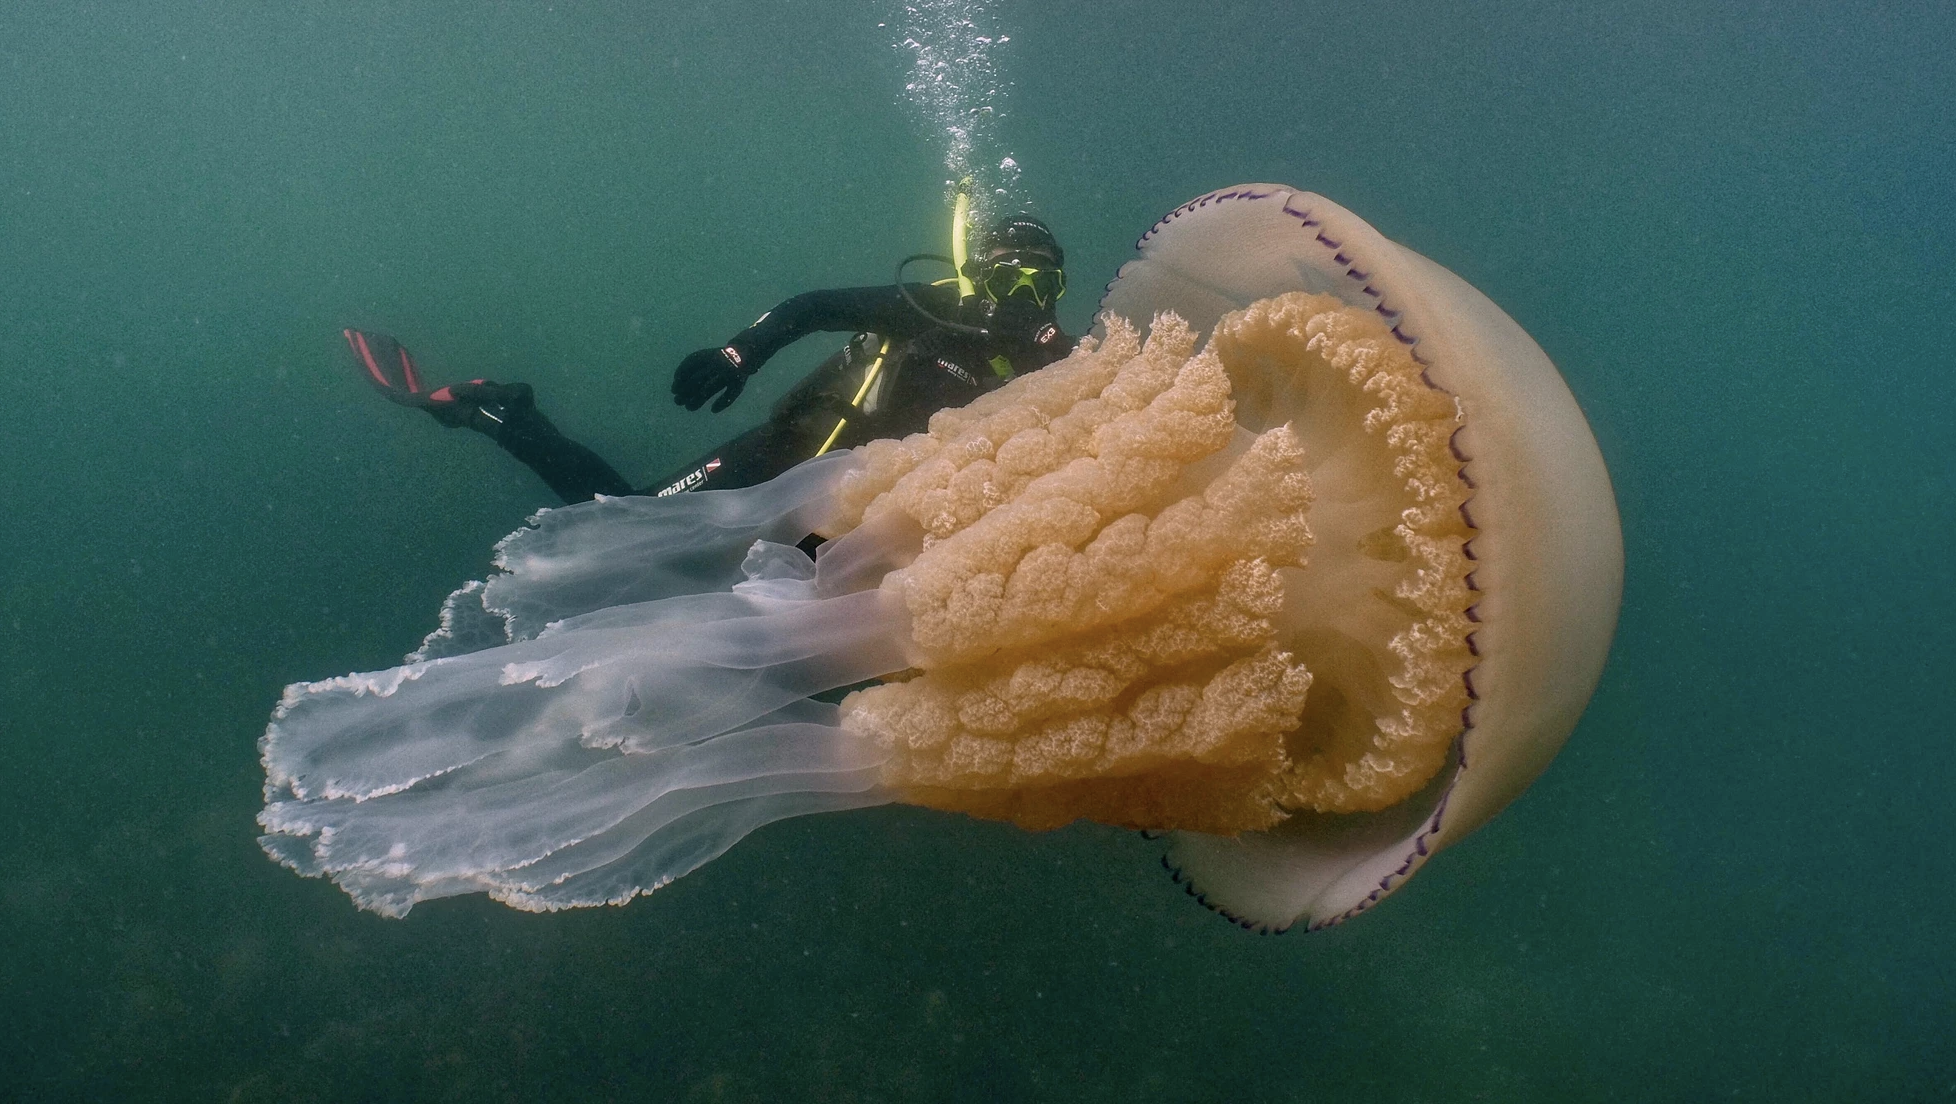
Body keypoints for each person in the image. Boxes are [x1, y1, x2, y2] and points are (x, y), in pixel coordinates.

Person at [346, 215, 1075, 505]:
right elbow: (812, 306)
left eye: (1040, 286)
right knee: (627, 524)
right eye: (1006, 278)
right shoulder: (936, 307)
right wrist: (739, 354)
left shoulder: (1058, 366)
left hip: (859, 512)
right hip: (789, 453)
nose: (1021, 299)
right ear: (980, 276)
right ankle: (504, 411)